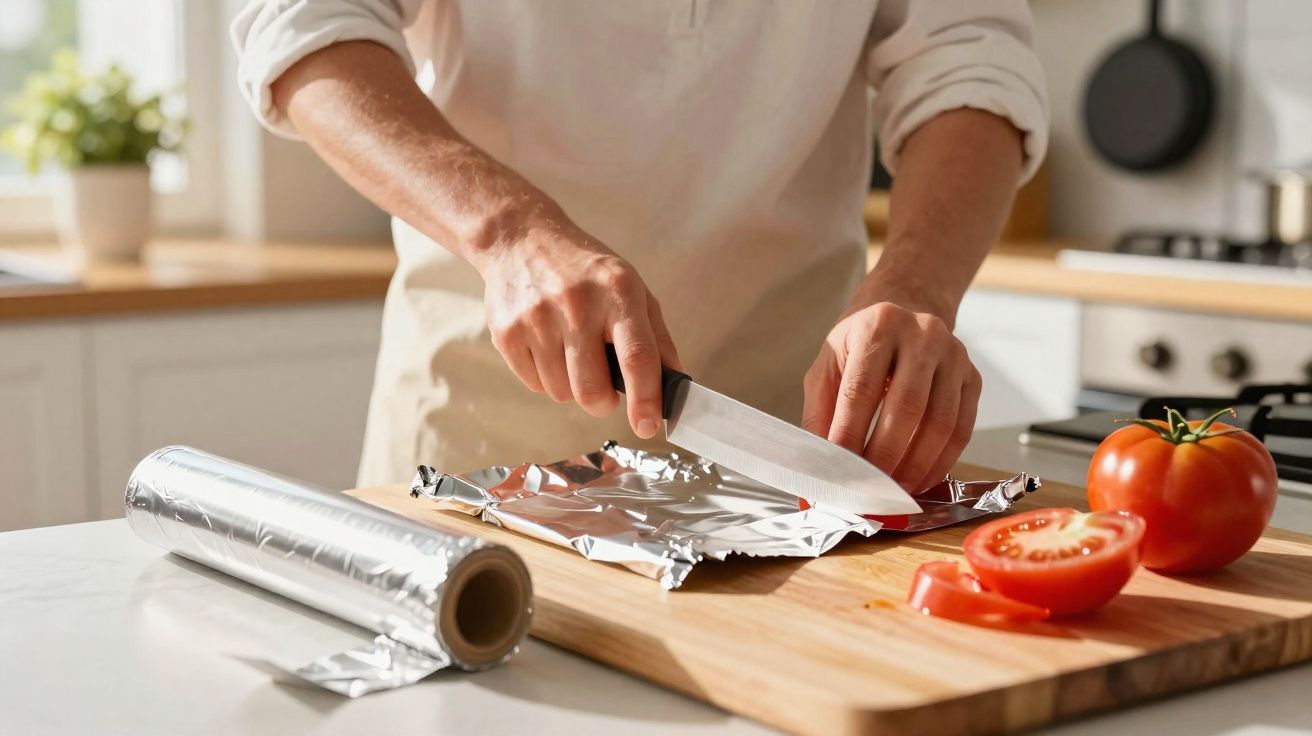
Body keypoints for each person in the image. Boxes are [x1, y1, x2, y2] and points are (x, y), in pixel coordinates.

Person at [232, 1, 1048, 491]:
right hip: (478, 433)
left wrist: (914, 287)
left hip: (793, 435)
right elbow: (304, 23)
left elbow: (970, 55)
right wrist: (508, 231)